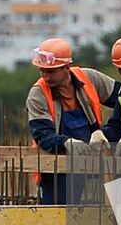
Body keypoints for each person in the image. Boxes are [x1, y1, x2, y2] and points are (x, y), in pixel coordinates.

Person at [26, 37, 116, 203]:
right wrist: (67, 143)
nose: (46, 76)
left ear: (67, 67)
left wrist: (107, 132)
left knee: (96, 215)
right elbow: (42, 134)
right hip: (56, 167)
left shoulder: (89, 79)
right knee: (58, 217)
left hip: (93, 160)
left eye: (51, 71)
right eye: (42, 71)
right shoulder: (38, 94)